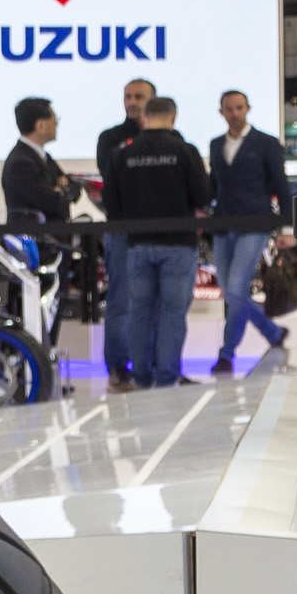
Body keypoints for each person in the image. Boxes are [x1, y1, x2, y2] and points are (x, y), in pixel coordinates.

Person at [107, 96, 211, 389]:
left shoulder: (123, 154)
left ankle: (141, 377)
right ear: (173, 118)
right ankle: (167, 378)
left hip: (137, 244)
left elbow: (112, 204)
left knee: (139, 312)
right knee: (173, 314)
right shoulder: (185, 151)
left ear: (144, 118)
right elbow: (203, 196)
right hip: (179, 244)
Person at [207, 88, 290, 375]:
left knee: (235, 290)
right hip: (222, 225)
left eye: (239, 108)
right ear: (221, 112)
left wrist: (288, 227)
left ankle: (226, 354)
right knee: (232, 293)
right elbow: (214, 185)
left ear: (248, 109)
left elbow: (281, 185)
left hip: (255, 223)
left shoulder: (266, 143)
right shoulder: (216, 144)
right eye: (229, 108)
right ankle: (272, 331)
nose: (234, 113)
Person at [96, 77, 157, 391]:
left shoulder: (167, 138)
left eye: (139, 97)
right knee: (120, 300)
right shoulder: (111, 138)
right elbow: (112, 181)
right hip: (121, 230)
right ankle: (118, 368)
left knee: (158, 302)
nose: (132, 102)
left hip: (159, 231)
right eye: (128, 96)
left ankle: (158, 366)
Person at [2, 96, 79, 226]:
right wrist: (61, 191)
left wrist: (60, 189)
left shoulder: (44, 157)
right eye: (55, 119)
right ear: (41, 125)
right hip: (33, 236)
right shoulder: (20, 163)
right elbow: (50, 202)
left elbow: (74, 187)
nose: (56, 124)